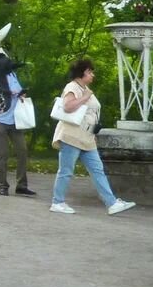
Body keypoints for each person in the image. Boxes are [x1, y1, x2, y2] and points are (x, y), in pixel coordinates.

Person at [50, 58, 135, 216]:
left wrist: (93, 134)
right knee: (66, 170)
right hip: (72, 136)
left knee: (98, 170)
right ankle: (57, 202)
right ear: (81, 73)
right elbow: (67, 107)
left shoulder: (85, 88)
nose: (92, 75)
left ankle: (112, 203)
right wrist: (85, 97)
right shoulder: (72, 87)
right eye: (89, 72)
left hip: (87, 137)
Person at [0, 70, 35, 196]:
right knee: (2, 154)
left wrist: (21, 94)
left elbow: (19, 91)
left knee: (22, 151)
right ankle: (3, 185)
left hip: (15, 120)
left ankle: (21, 185)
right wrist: (7, 93)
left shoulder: (12, 74)